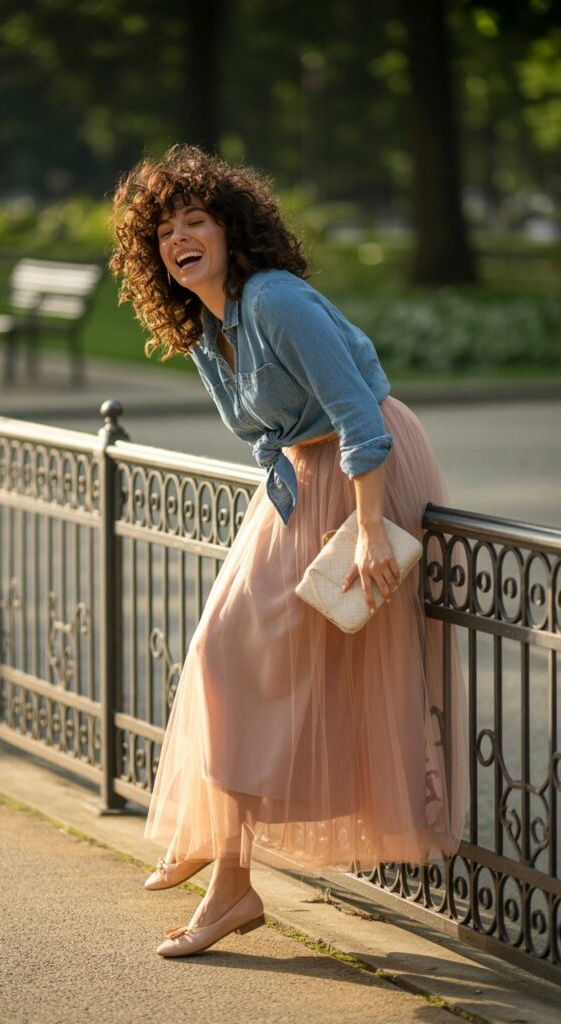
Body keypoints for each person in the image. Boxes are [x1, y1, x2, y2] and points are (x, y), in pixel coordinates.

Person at [110, 144, 468, 959]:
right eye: (162, 232)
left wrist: (373, 530)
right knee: (221, 652)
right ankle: (228, 872)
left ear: (233, 230)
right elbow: (272, 433)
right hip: (305, 477)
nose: (178, 239)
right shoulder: (208, 325)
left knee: (233, 651)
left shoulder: (274, 300)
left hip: (366, 470)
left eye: (194, 220)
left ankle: (225, 871)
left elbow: (360, 418)